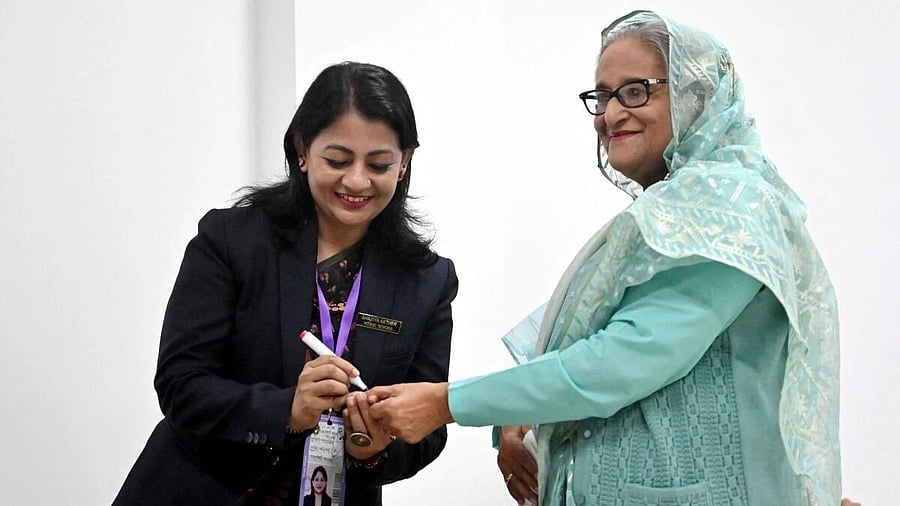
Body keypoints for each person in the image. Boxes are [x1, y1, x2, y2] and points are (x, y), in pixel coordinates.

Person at [368, 10, 844, 505]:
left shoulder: (730, 209)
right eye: (603, 95)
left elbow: (620, 358)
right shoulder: (680, 212)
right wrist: (515, 413)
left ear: (695, 97)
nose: (610, 114)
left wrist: (449, 403)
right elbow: (576, 332)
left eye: (636, 91)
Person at [113, 61, 458, 505]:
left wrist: (374, 450)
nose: (356, 180)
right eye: (337, 160)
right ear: (301, 149)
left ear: (405, 162)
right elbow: (181, 383)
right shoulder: (233, 242)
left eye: (378, 164)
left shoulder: (426, 280)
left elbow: (427, 428)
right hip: (202, 489)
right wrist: (286, 411)